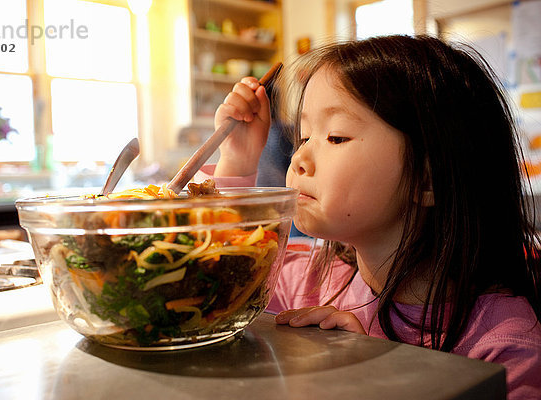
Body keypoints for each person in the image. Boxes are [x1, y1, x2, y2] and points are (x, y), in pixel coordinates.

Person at [194, 35, 541, 399]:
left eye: (336, 137)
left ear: (428, 178)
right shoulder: (307, 280)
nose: (298, 159)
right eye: (303, 136)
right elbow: (208, 290)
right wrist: (238, 159)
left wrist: (371, 378)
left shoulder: (503, 349)